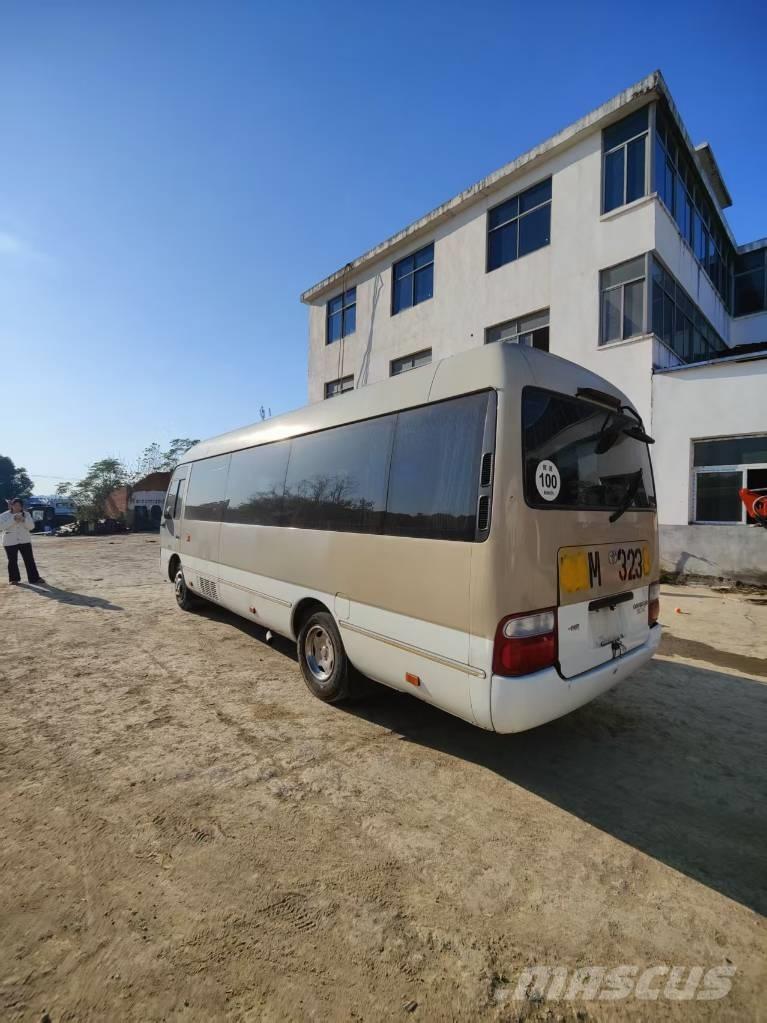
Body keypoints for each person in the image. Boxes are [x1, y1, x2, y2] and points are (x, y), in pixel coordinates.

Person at [1, 498, 46, 586]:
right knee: (12, 560)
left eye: (19, 505)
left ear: (22, 506)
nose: (17, 507)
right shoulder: (4, 515)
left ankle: (34, 578)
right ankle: (14, 579)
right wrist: (13, 519)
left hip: (25, 540)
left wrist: (23, 520)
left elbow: (31, 527)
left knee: (29, 559)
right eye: (15, 505)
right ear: (11, 506)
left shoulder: (27, 514)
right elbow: (1, 527)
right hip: (9, 541)